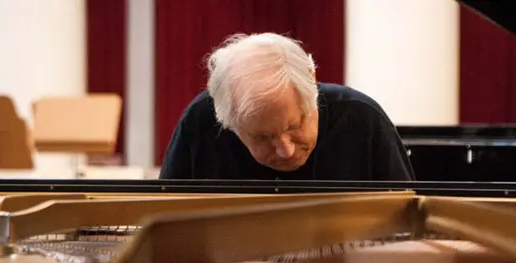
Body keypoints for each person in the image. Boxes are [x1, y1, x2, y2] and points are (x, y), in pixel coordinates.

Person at [158, 32, 415, 181]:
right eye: (263, 137)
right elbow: (164, 228)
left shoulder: (362, 119)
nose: (286, 150)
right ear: (228, 124)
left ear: (312, 86)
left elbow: (410, 227)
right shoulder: (201, 121)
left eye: (294, 126)